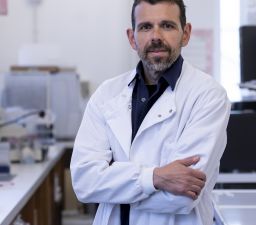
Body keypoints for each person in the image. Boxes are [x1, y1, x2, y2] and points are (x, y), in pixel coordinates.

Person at [70, 0, 230, 224]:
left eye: (167, 25)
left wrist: (111, 188)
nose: (156, 36)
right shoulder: (107, 94)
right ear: (132, 37)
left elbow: (183, 196)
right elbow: (84, 183)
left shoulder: (208, 96)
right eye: (145, 27)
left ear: (185, 34)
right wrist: (156, 177)